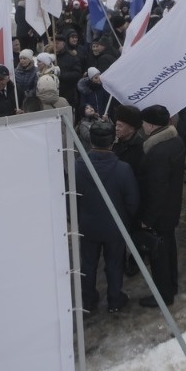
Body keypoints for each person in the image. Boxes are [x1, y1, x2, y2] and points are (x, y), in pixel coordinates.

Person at [75, 121, 140, 313]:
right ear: (113, 142)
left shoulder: (78, 166)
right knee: (114, 264)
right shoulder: (123, 169)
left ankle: (88, 300)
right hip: (115, 226)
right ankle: (115, 299)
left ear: (91, 141)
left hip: (88, 225)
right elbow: (133, 202)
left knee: (88, 264)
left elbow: (71, 197)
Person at [135, 105, 186, 307]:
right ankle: (172, 285)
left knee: (159, 256)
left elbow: (157, 190)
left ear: (151, 125)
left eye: (144, 122)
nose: (142, 126)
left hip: (160, 214)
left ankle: (164, 295)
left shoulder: (157, 152)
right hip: (171, 208)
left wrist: (147, 220)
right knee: (170, 249)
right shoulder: (175, 140)